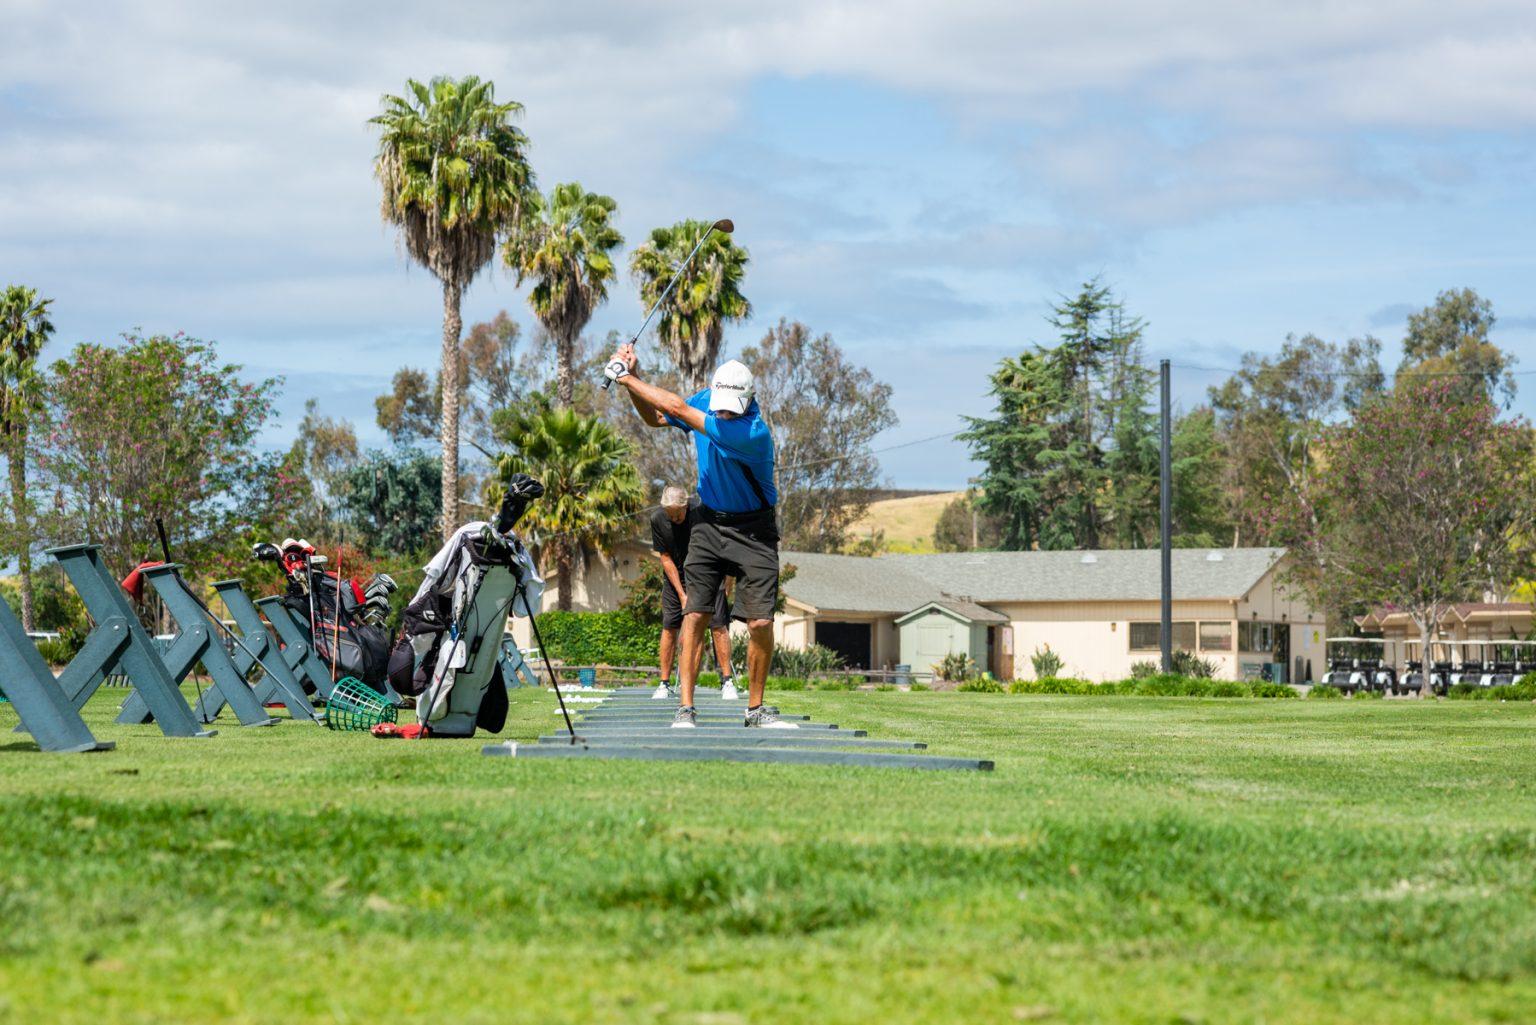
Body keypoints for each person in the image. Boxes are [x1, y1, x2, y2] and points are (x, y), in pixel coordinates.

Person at [607, 344, 795, 729]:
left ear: (749, 400)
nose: (722, 411)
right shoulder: (708, 400)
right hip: (708, 522)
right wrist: (633, 383)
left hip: (754, 529)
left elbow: (676, 408)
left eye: (730, 406)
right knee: (694, 613)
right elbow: (657, 418)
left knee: (760, 623)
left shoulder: (753, 433)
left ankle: (755, 709)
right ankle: (686, 707)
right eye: (719, 404)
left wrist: (624, 376)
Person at [651, 485, 739, 700]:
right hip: (676, 577)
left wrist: (728, 580)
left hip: (709, 573)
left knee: (718, 624)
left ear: (686, 505)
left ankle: (727, 681)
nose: (674, 518)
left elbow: (723, 546)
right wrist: (682, 594)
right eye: (669, 514)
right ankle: (664, 683)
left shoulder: (702, 514)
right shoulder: (657, 519)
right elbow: (665, 558)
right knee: (670, 626)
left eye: (678, 513)